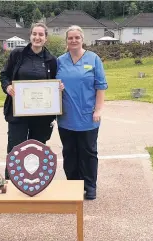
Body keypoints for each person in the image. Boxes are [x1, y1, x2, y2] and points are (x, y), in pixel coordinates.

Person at [0, 23, 62, 180]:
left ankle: (34, 182)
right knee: (15, 148)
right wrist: (7, 87)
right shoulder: (17, 54)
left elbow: (55, 82)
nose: (37, 37)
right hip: (18, 112)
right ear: (30, 35)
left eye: (41, 35)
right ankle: (11, 181)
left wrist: (58, 88)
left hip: (41, 115)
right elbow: (4, 75)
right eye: (35, 34)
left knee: (37, 149)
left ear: (46, 38)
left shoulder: (51, 60)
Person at [56, 25, 108, 200]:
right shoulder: (60, 61)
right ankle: (73, 185)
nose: (73, 40)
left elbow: (100, 87)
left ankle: (90, 185)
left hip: (88, 116)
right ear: (66, 41)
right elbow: (51, 86)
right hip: (66, 117)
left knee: (88, 152)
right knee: (69, 152)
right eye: (70, 38)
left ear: (82, 39)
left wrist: (98, 109)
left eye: (77, 37)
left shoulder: (93, 59)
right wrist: (57, 88)